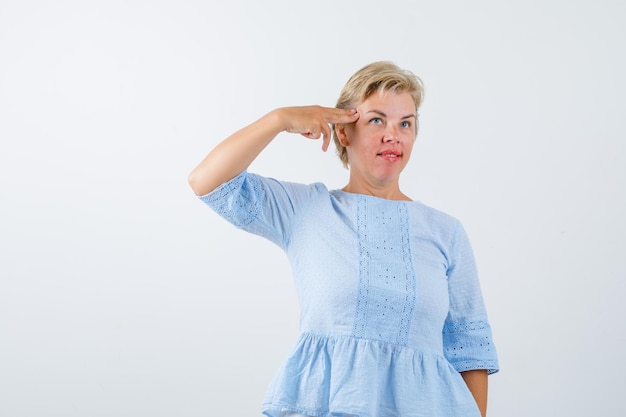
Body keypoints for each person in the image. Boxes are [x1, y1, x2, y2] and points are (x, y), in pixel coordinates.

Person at [188, 61, 499, 417]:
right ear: (344, 132)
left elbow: (469, 348)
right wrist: (279, 119)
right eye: (376, 120)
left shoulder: (447, 231)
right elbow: (207, 182)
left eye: (405, 123)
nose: (393, 135)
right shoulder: (306, 209)